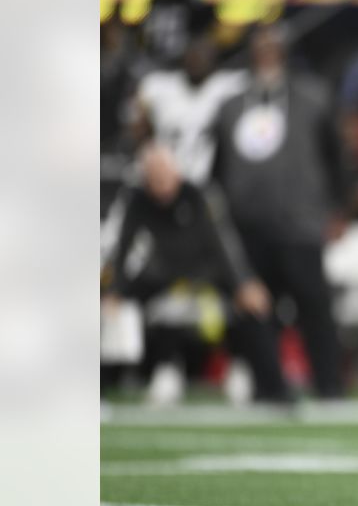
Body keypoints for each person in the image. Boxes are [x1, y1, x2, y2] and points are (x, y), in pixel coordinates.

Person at [211, 23, 350, 399]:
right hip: (248, 223)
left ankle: (329, 387)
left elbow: (336, 158)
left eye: (274, 46)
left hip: (301, 222)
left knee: (314, 307)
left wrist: (338, 208)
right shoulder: (231, 104)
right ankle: (268, 388)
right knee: (255, 309)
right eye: (260, 46)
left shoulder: (313, 97)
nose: (267, 53)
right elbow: (217, 166)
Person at [102, 143, 287, 404]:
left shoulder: (198, 196)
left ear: (176, 173)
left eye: (165, 176)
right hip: (163, 274)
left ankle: (270, 386)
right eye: (154, 179)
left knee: (255, 306)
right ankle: (102, 390)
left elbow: (223, 244)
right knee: (109, 306)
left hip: (208, 273)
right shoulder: (138, 201)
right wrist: (115, 292)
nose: (162, 185)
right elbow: (124, 248)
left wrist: (243, 283)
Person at [132, 34, 248, 186]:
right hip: (164, 180)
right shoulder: (160, 86)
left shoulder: (227, 86)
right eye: (192, 55)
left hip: (205, 182)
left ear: (214, 58)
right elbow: (138, 124)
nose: (197, 60)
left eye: (202, 55)